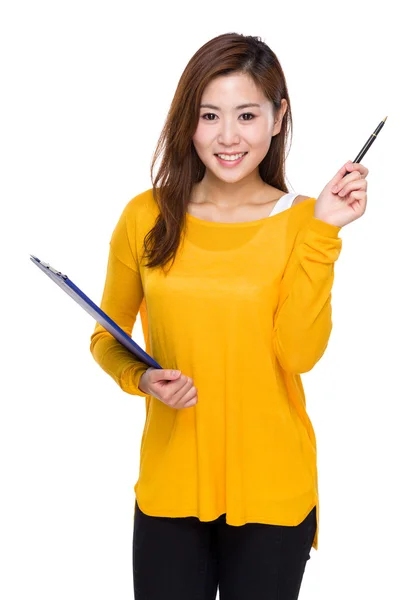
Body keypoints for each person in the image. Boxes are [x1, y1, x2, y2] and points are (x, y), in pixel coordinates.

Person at [90, 32, 368, 600]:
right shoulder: (145, 216)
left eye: (246, 114)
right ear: (187, 121)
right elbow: (106, 335)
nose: (227, 136)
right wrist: (142, 378)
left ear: (277, 117)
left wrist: (324, 234)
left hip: (272, 490)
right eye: (209, 115)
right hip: (171, 488)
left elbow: (300, 355)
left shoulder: (305, 223)